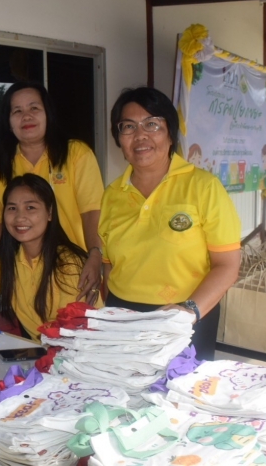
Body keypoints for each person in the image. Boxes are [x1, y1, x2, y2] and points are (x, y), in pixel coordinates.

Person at [96, 87, 241, 361]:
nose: (140, 135)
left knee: (180, 387)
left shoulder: (204, 187)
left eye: (152, 124)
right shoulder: (112, 195)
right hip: (123, 318)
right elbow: (109, 264)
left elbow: (227, 265)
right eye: (128, 127)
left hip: (186, 317)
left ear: (170, 134)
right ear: (119, 138)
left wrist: (189, 311)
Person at [0, 81, 105, 298]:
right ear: (8, 122)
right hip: (27, 273)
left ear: (48, 114)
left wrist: (94, 254)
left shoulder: (76, 153)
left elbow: (92, 211)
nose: (26, 116)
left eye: (34, 108)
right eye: (17, 111)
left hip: (76, 270)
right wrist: (11, 254)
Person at [0, 174, 102, 340]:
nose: (20, 217)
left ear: (50, 213)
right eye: (12, 208)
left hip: (83, 350)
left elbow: (70, 333)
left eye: (30, 207)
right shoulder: (5, 263)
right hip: (42, 350)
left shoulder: (69, 264)